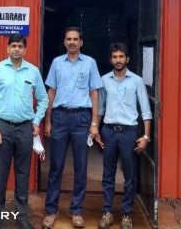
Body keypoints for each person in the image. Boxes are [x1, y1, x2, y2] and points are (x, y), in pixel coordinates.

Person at [0, 33, 48, 229]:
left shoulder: (33, 71)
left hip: (25, 129)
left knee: (22, 174)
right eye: (13, 46)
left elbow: (43, 99)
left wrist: (36, 121)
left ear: (25, 50)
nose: (16, 49)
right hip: (2, 128)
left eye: (20, 46)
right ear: (7, 48)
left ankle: (22, 217)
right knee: (1, 174)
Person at [42, 27, 104, 229]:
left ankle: (76, 211)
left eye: (75, 39)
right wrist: (48, 120)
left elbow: (94, 93)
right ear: (64, 42)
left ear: (81, 42)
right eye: (68, 39)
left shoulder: (90, 63)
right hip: (59, 117)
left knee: (80, 167)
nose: (72, 42)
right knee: (56, 166)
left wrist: (94, 123)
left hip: (81, 119)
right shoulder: (57, 63)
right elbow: (51, 92)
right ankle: (51, 210)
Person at [97, 42, 153, 229]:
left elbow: (146, 111)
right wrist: (95, 129)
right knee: (108, 175)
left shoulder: (137, 81)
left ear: (127, 59)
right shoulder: (104, 80)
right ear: (110, 60)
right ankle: (107, 212)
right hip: (108, 132)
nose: (118, 60)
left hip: (129, 133)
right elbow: (100, 109)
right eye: (115, 57)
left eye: (121, 56)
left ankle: (127, 214)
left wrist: (146, 137)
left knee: (130, 176)